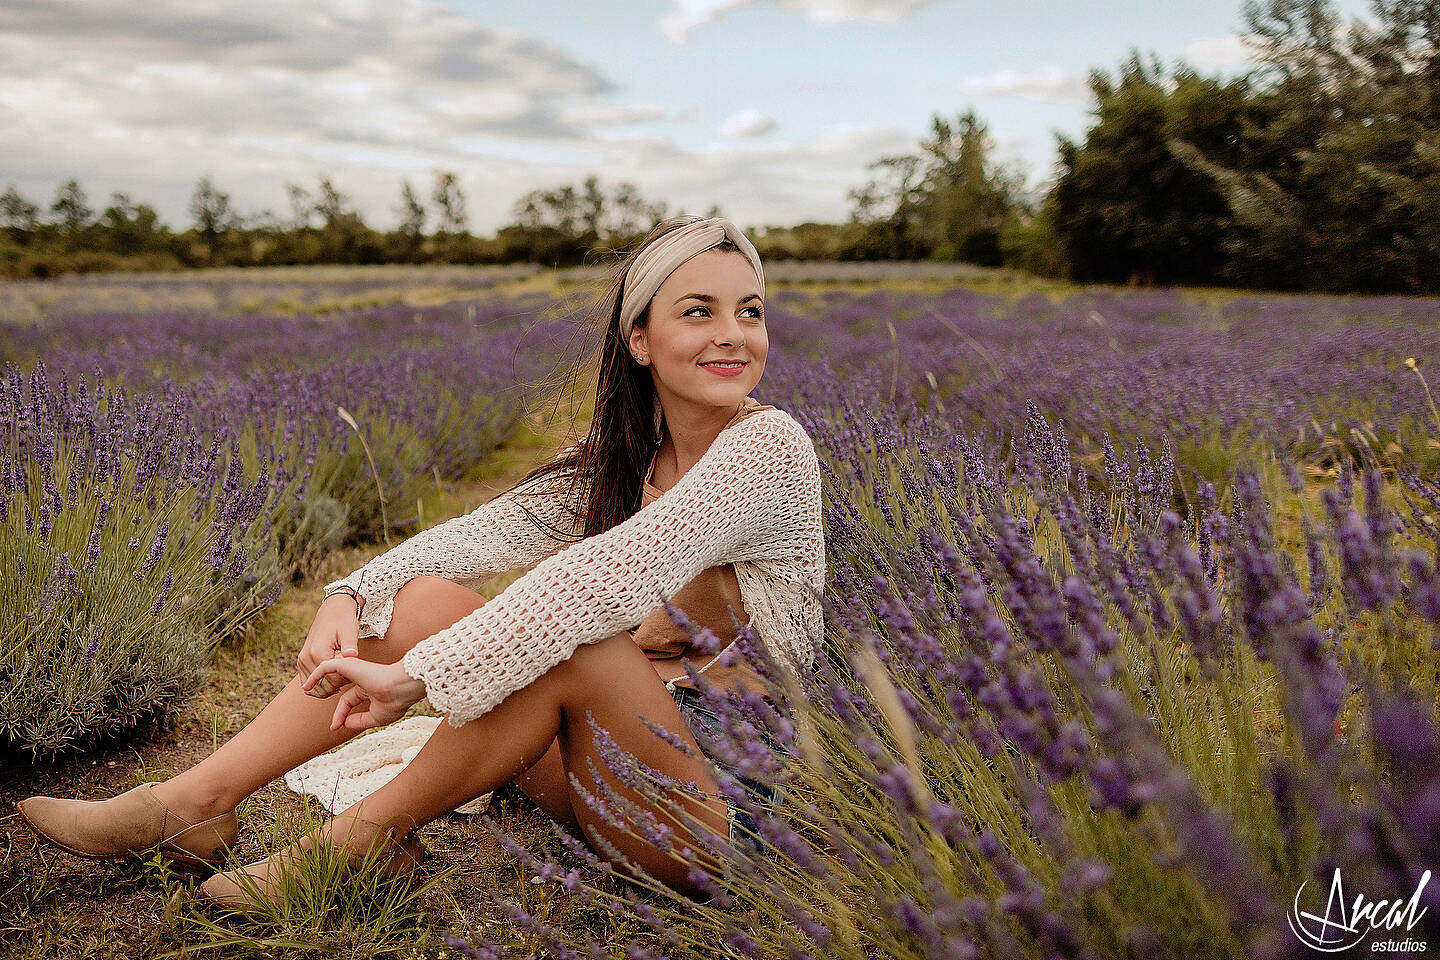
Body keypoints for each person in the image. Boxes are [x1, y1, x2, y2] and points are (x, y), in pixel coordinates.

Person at [16, 215, 826, 909]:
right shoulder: (627, 456)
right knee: (422, 597)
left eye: (750, 311)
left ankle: (358, 841)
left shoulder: (769, 448)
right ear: (639, 340)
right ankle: (194, 805)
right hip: (600, 770)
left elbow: (600, 581)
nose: (733, 333)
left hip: (710, 811)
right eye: (699, 311)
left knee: (573, 641)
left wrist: (418, 678)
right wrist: (352, 591)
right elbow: (474, 538)